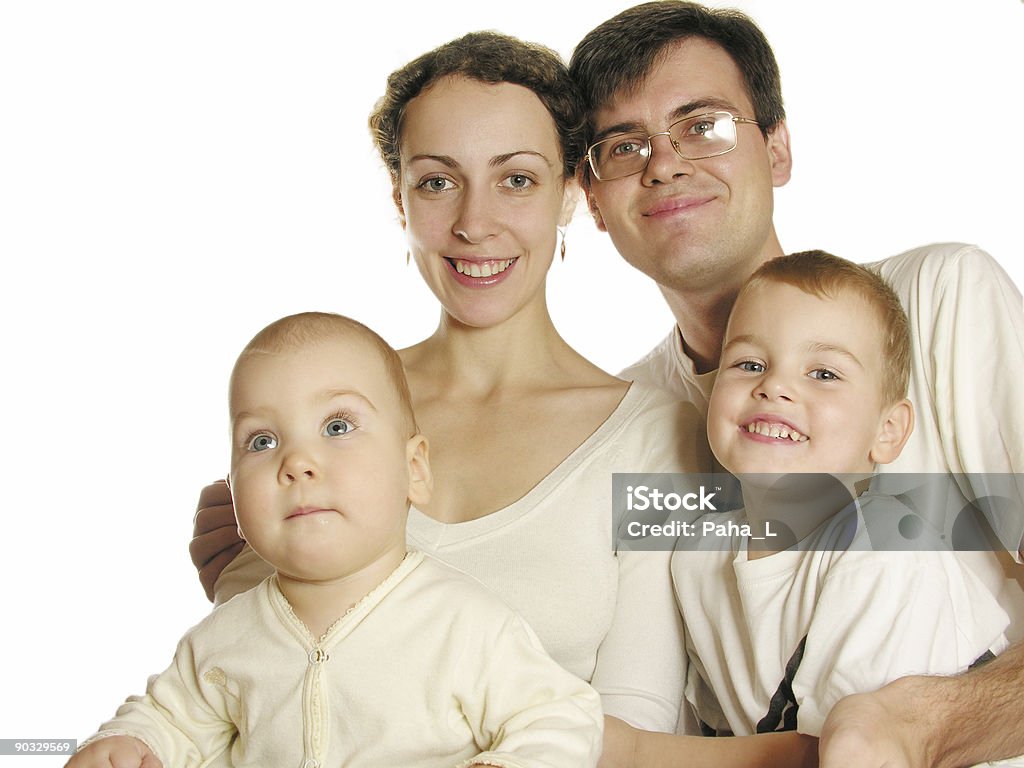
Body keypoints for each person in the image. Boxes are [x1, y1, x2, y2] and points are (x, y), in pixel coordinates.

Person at [190, 31, 707, 733]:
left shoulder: (658, 438)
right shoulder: (317, 399)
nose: (474, 222)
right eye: (437, 182)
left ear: (569, 194)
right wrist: (243, 592)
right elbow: (256, 685)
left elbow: (634, 724)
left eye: (516, 179)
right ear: (400, 201)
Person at [568, 2, 1024, 765]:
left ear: (777, 148)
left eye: (703, 124)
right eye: (623, 146)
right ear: (594, 203)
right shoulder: (630, 422)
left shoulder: (943, 298)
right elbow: (648, 708)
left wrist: (929, 724)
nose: (664, 163)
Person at [69, 311, 603, 768]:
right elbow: (172, 721)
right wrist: (128, 743)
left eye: (338, 427)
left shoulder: (465, 625)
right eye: (262, 440)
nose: (297, 462)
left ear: (414, 469)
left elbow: (559, 715)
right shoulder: (223, 638)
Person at [600, 251, 1009, 767]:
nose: (775, 385)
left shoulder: (887, 553)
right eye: (749, 364)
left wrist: (634, 750)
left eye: (823, 373)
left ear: (888, 431)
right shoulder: (695, 555)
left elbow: (843, 754)